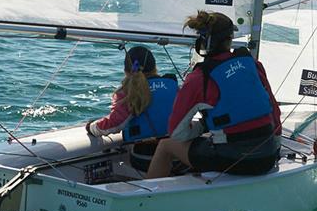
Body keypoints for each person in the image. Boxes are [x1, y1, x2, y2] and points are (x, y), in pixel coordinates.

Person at [146, 11, 282, 179]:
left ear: (202, 41)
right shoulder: (253, 65)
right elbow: (274, 112)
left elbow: (177, 133)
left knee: (166, 146)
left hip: (232, 160)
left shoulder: (199, 78)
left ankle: (145, 199)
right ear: (230, 38)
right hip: (267, 157)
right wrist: (276, 150)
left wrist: (202, 127)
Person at [86, 46, 178, 172]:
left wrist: (92, 127)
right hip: (177, 155)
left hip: (146, 158)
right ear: (155, 66)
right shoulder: (172, 85)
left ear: (126, 70)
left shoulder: (130, 93)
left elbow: (115, 124)